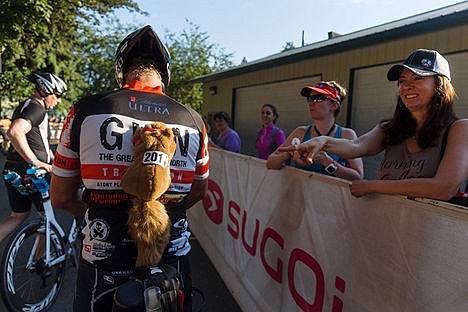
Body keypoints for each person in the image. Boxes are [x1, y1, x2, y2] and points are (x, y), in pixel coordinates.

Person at [50, 25, 209, 311]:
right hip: (171, 262)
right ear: (164, 73)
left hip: (103, 260)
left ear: (122, 71)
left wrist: (97, 213)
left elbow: (60, 197)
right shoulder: (193, 120)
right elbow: (198, 192)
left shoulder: (86, 110)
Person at [280, 49, 467, 201]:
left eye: (417, 78)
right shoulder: (390, 127)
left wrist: (371, 186)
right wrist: (321, 142)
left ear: (440, 86)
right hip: (386, 230)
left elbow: (443, 188)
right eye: (402, 81)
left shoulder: (459, 129)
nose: (407, 86)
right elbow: (355, 146)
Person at [0, 72, 67, 243]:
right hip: (31, 171)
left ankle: (41, 260)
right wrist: (35, 161)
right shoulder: (37, 108)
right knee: (47, 216)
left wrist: (52, 159)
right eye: (57, 96)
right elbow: (15, 132)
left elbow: (38, 140)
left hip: (12, 168)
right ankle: (41, 263)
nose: (58, 101)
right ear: (45, 91)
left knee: (17, 216)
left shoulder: (28, 105)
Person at [267, 81, 363, 181]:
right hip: (300, 195)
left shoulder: (346, 135)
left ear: (335, 106)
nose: (311, 103)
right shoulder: (300, 133)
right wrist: (288, 153)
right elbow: (270, 163)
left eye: (318, 98)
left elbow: (358, 176)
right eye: (310, 99)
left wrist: (327, 161)